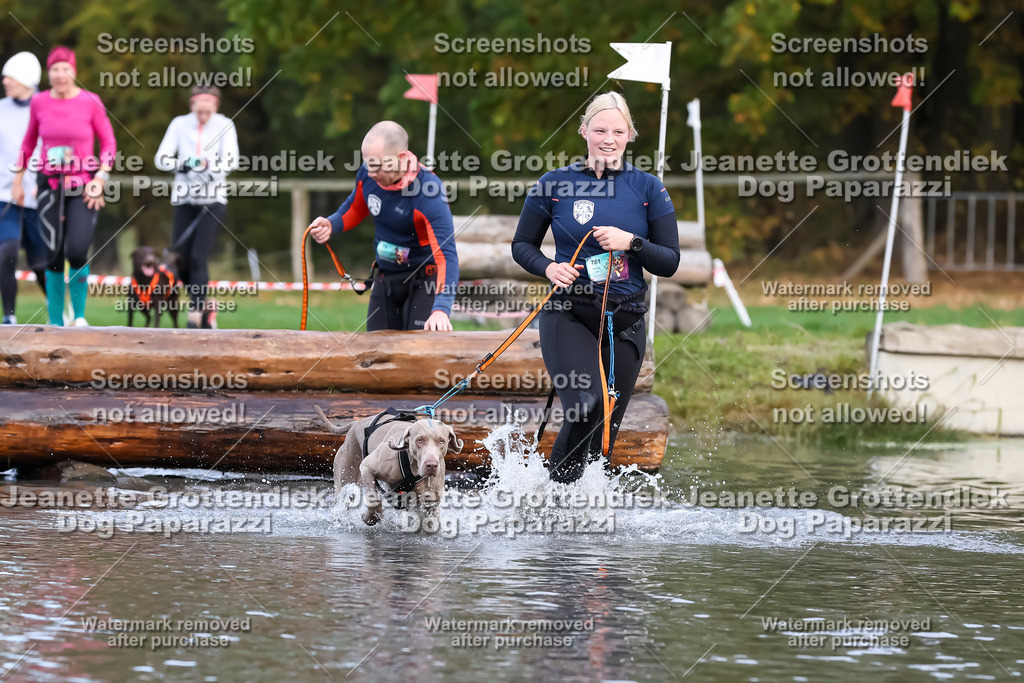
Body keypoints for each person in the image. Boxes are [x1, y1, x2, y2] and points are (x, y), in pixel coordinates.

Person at [512, 92, 680, 483]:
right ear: (584, 131)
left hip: (626, 320)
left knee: (605, 432)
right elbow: (522, 245)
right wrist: (550, 267)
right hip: (568, 313)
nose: (609, 138)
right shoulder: (554, 184)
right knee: (585, 406)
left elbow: (669, 261)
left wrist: (632, 243)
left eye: (618, 131)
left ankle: (586, 516)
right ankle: (553, 501)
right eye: (600, 129)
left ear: (630, 135)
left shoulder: (649, 189)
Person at [308, 121, 458, 331]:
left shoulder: (429, 192)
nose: (370, 172)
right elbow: (356, 206)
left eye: (377, 166)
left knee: (418, 354)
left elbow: (447, 256)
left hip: (424, 281)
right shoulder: (368, 174)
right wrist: (331, 224)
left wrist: (441, 309)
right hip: (386, 276)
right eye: (367, 164)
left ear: (402, 158)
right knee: (375, 356)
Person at [12, 46, 116, 327]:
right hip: (48, 185)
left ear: (74, 72)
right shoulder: (40, 102)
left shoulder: (90, 101)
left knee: (78, 250)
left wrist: (99, 180)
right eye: (55, 69)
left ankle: (80, 317)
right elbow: (29, 142)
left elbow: (108, 143)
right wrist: (19, 180)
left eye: (65, 69)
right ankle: (56, 321)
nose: (60, 75)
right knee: (52, 254)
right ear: (48, 73)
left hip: (82, 185)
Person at [155, 85, 239, 328]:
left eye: (207, 112)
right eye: (198, 112)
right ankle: (207, 303)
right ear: (192, 106)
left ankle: (195, 311)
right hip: (184, 199)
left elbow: (231, 158)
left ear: (216, 107)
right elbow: (162, 158)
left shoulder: (225, 125)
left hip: (212, 201)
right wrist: (184, 166)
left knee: (197, 256)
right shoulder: (179, 124)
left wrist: (212, 172)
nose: (203, 117)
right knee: (178, 259)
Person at [0, 52, 46, 324]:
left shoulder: (46, 108)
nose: (5, 81)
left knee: (41, 263)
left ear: (27, 80)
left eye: (10, 77)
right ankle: (10, 316)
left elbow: (59, 148)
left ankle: (58, 311)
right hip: (4, 196)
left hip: (36, 197)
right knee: (6, 252)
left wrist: (45, 183)